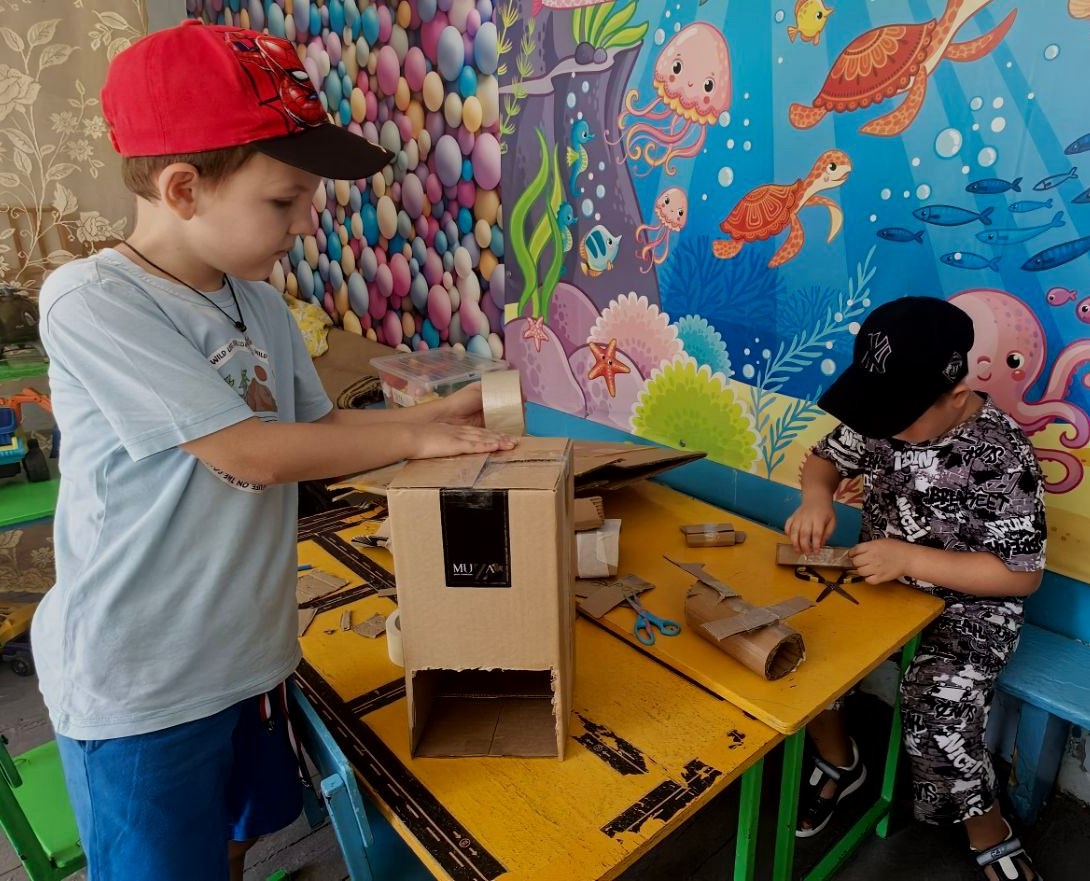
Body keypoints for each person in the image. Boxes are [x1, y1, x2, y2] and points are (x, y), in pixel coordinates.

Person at [32, 20, 515, 881]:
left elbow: (318, 431)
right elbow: (247, 452)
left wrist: (445, 413)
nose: (305, 222)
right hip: (142, 679)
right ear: (184, 188)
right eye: (284, 201)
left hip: (249, 654)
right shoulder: (92, 300)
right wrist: (414, 436)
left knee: (234, 839)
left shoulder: (259, 303)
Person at [785, 297, 1046, 881]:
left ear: (956, 396)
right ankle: (841, 762)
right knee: (802, 649)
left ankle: (989, 829)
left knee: (936, 708)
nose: (881, 426)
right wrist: (816, 498)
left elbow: (1022, 574)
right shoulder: (885, 413)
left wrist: (909, 557)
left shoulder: (1001, 453)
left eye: (898, 415)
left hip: (973, 605)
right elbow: (824, 460)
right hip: (884, 580)